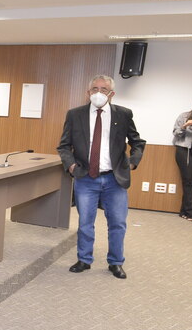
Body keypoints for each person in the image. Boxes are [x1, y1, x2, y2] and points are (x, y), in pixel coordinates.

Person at [57, 75, 145, 280]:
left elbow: (137, 142)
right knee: (85, 223)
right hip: (86, 178)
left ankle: (116, 262)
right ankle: (84, 259)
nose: (98, 93)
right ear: (88, 92)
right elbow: (64, 146)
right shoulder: (75, 114)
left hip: (115, 178)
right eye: (94, 89)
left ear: (111, 94)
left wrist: (132, 162)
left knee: (118, 223)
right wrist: (71, 165)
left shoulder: (123, 114)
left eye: (103, 89)